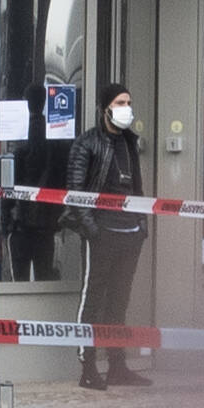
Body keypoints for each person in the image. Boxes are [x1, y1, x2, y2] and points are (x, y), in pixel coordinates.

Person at [74, 87, 153, 391]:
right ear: (104, 108)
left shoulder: (130, 143)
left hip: (129, 234)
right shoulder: (87, 143)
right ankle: (88, 367)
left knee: (119, 303)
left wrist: (141, 226)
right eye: (120, 103)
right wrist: (92, 230)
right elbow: (75, 191)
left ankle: (117, 366)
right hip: (101, 234)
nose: (126, 109)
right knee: (92, 300)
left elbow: (137, 189)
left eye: (129, 103)